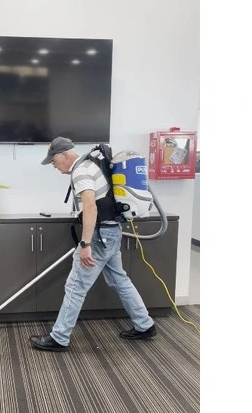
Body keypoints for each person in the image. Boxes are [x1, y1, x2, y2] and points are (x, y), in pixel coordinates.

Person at [29, 136, 157, 352]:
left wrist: (86, 244)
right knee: (119, 280)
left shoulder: (81, 171)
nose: (54, 166)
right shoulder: (92, 164)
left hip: (99, 237)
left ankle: (59, 338)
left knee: (75, 286)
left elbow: (90, 206)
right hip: (111, 232)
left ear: (64, 155)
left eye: (54, 161)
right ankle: (145, 325)